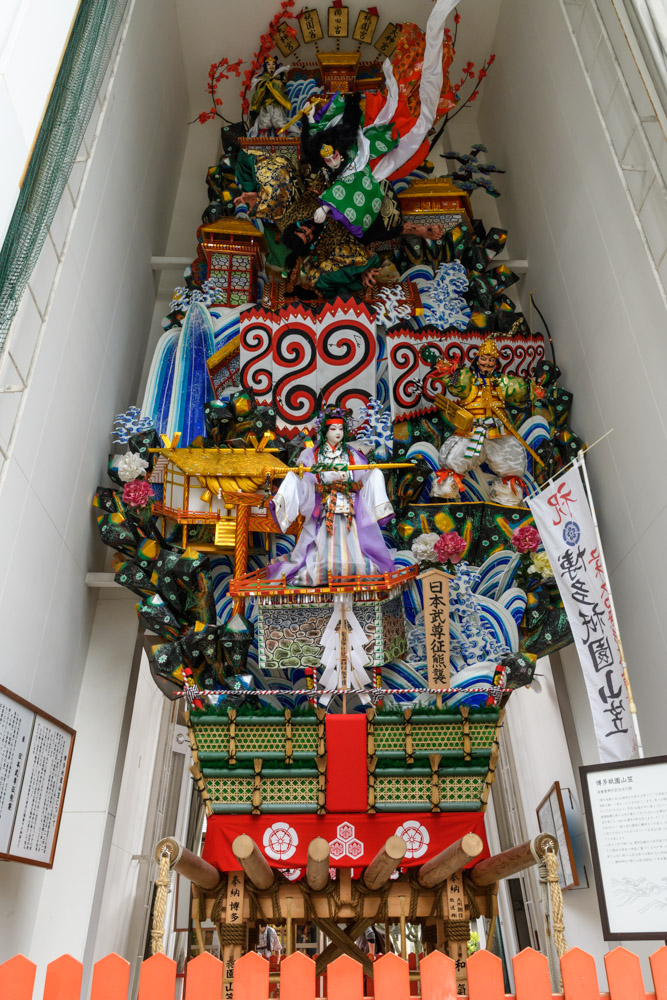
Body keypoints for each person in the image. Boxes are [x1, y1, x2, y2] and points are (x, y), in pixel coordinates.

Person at [267, 406, 395, 587]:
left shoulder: (351, 455)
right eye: (333, 429)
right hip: (326, 504)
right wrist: (303, 476)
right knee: (323, 543)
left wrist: (372, 475)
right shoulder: (313, 455)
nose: (338, 433)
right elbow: (306, 480)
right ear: (325, 432)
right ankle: (323, 570)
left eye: (341, 429)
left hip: (347, 502)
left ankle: (352, 568)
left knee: (353, 541)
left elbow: (363, 477)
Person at [428, 337, 532, 505]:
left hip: (498, 433)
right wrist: (444, 368)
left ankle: (507, 503)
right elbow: (455, 382)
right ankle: (442, 500)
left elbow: (522, 390)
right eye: (484, 358)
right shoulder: (468, 379)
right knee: (454, 459)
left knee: (512, 462)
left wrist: (535, 389)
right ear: (477, 359)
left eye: (492, 360)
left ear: (496, 363)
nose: (487, 363)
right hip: (471, 432)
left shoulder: (503, 382)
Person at [249, 55, 291, 136]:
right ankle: (263, 141)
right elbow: (257, 94)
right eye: (269, 64)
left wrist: (273, 85)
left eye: (273, 64)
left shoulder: (280, 78)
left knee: (280, 122)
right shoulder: (261, 79)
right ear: (265, 66)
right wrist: (265, 86)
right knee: (264, 123)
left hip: (276, 105)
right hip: (265, 105)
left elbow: (283, 92)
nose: (271, 66)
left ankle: (282, 140)